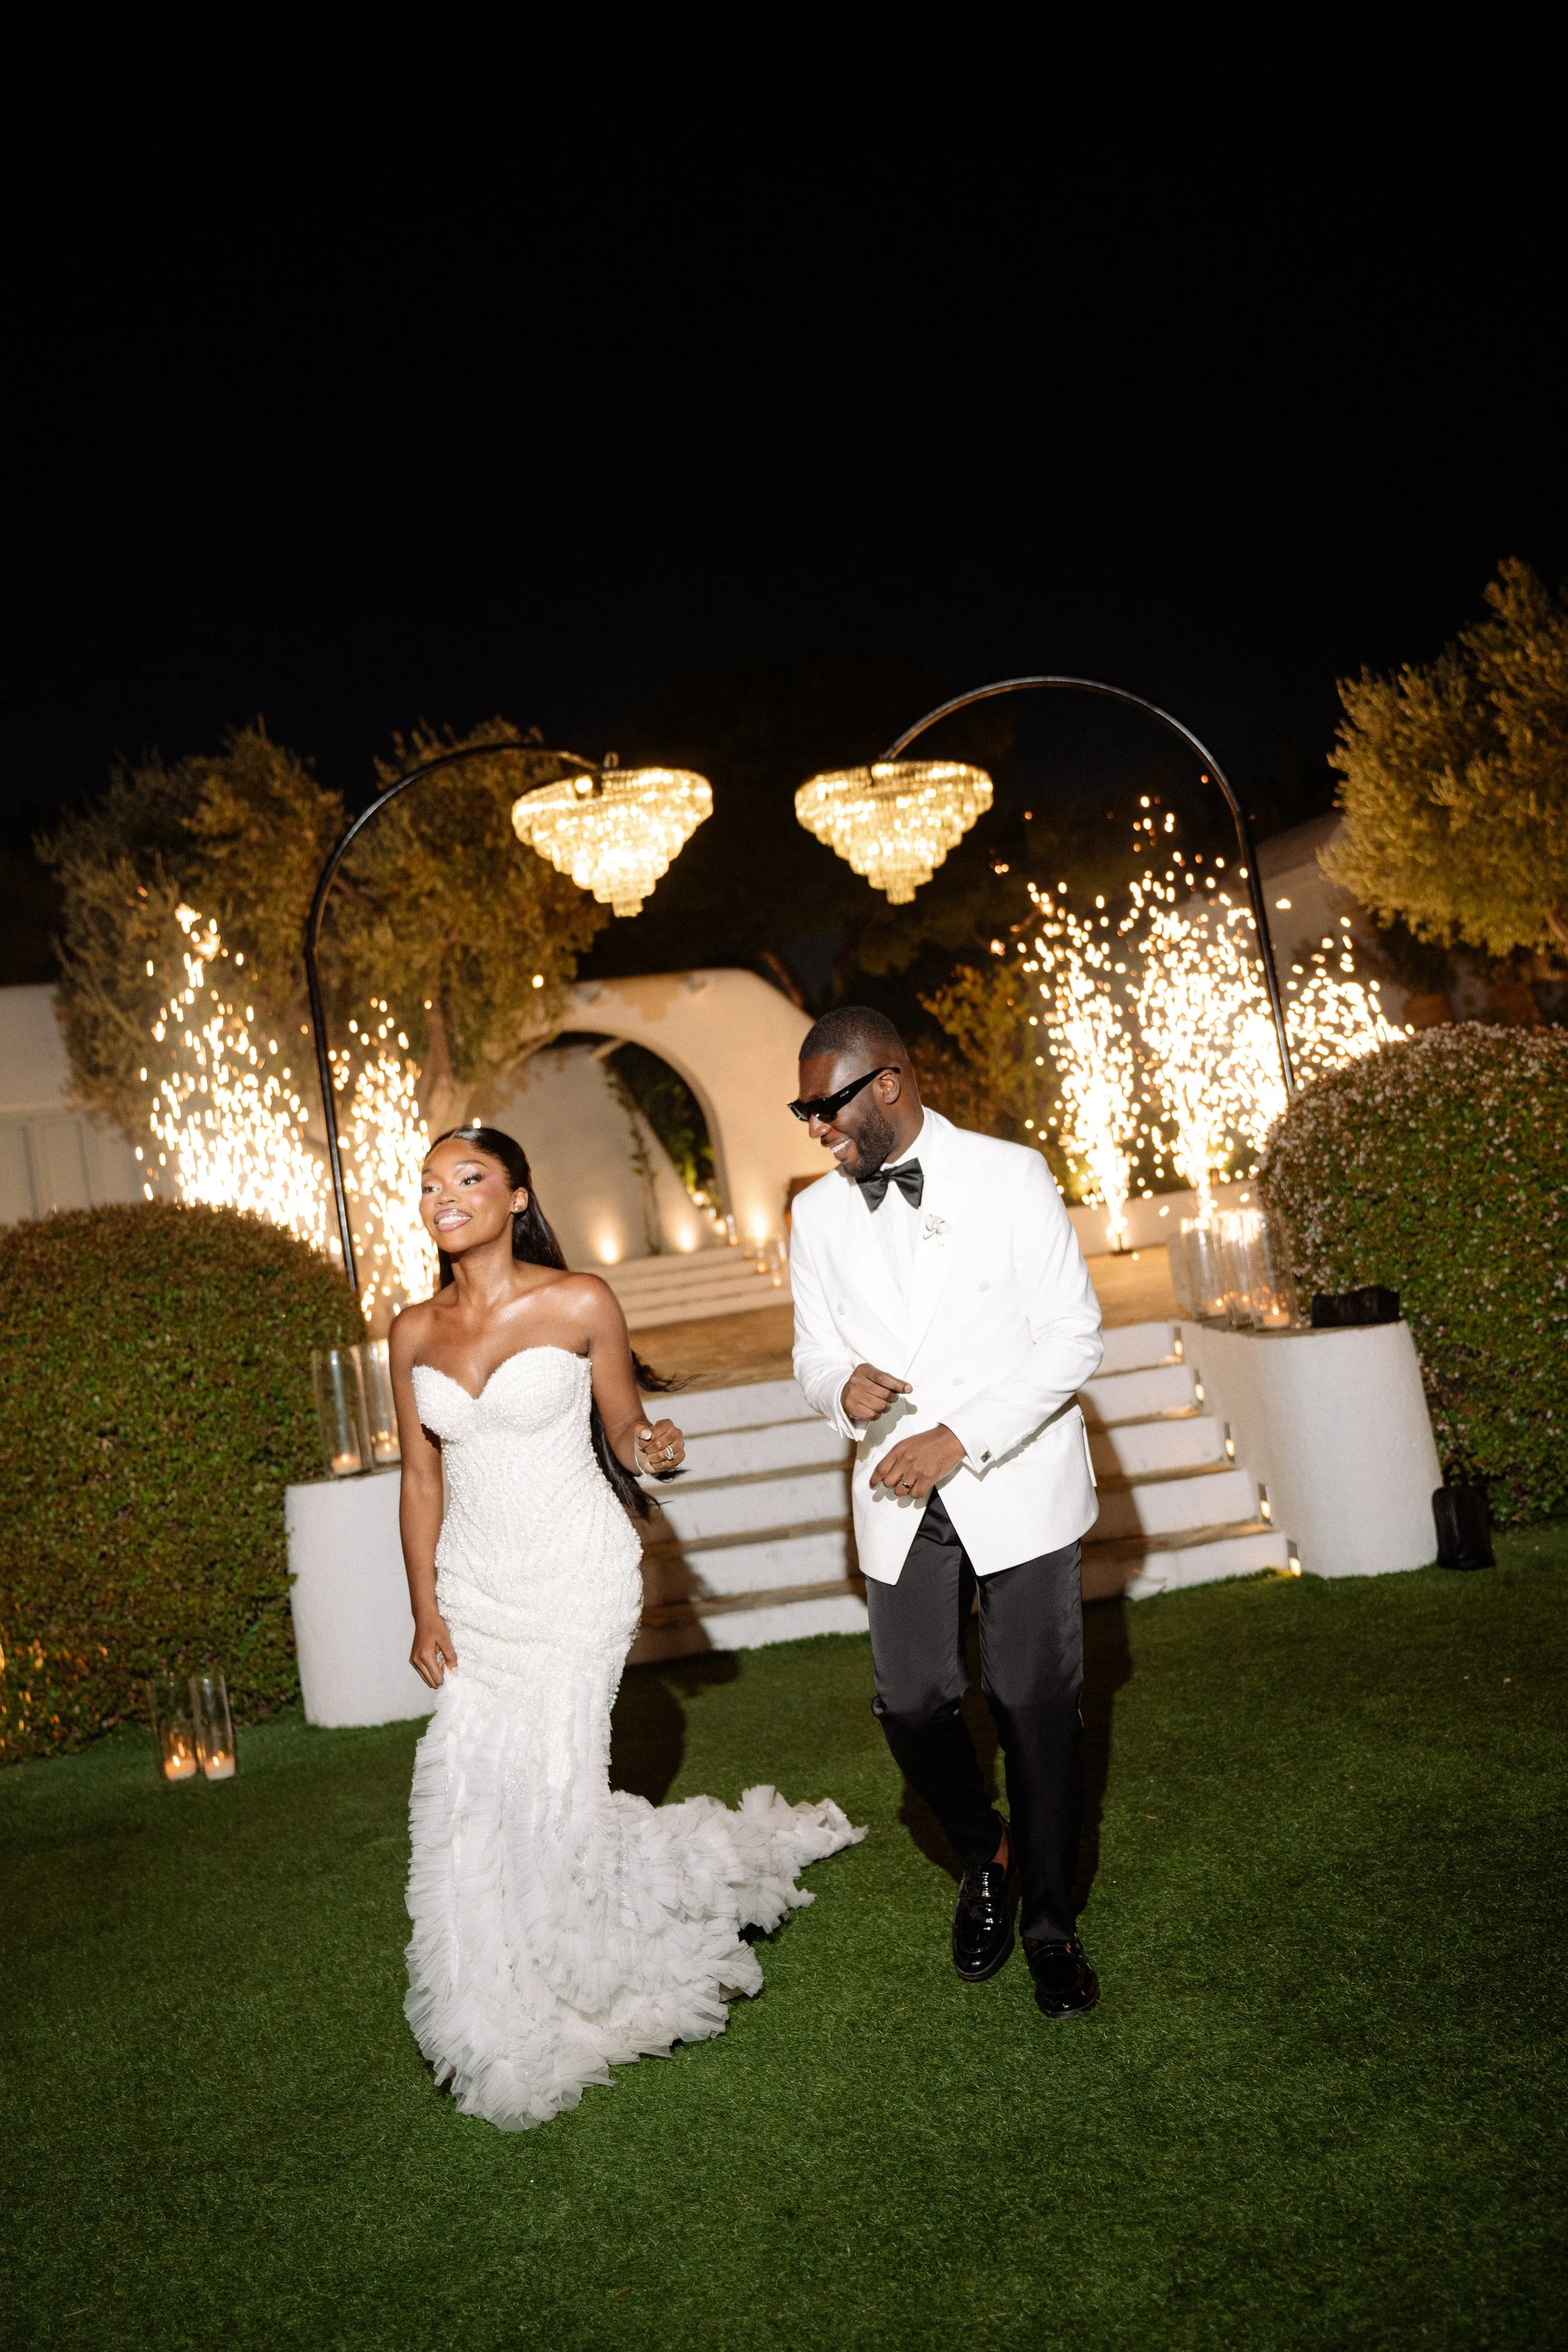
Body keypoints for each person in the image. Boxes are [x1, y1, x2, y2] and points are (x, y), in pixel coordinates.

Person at [390, 1123, 862, 2131]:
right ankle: (491, 1991)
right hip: (477, 1590)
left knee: (558, 1791)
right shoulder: (411, 1332)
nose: (446, 1196)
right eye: (431, 1184)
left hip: (575, 1580)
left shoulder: (579, 1302)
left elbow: (624, 1430)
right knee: (475, 1789)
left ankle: (586, 1966)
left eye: (469, 1178)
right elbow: (421, 1476)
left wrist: (655, 1445)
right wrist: (425, 1604)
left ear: (519, 1196)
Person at [787, 1009, 1104, 2017]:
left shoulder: (1010, 1175)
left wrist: (959, 1435)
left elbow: (1073, 1337)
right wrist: (840, 1387)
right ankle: (987, 1850)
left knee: (1033, 1703)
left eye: (823, 1104)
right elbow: (810, 1351)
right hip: (894, 1490)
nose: (812, 1127)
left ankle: (1052, 1926)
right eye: (801, 1110)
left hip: (1011, 1475)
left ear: (887, 1083)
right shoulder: (812, 1215)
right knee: (913, 1701)